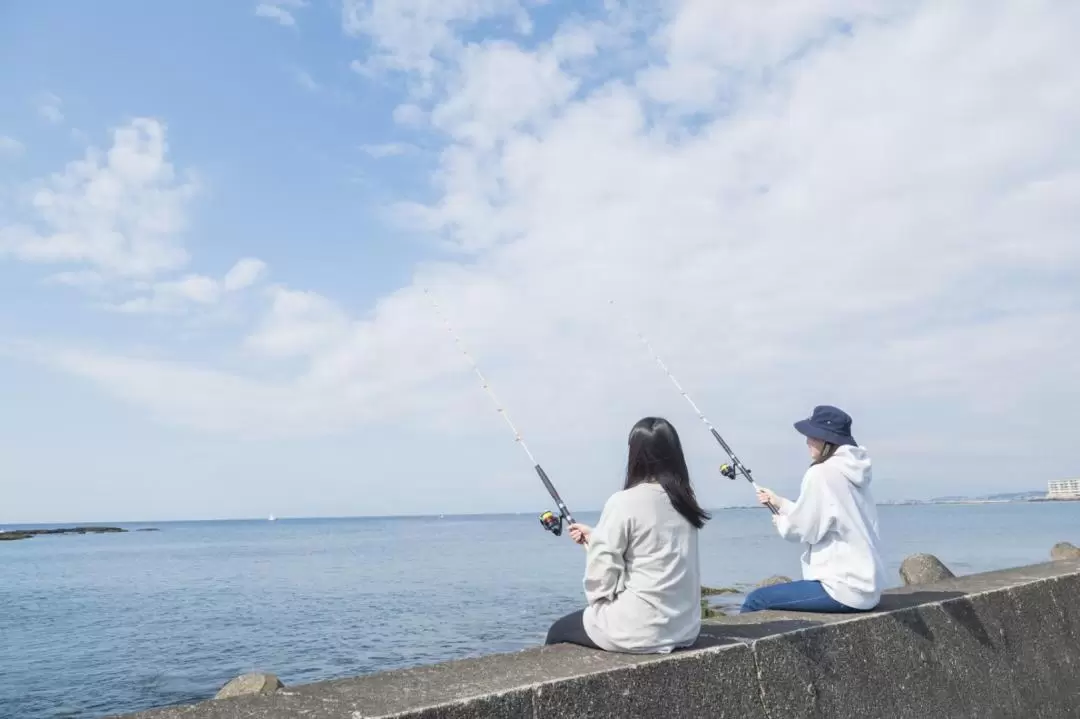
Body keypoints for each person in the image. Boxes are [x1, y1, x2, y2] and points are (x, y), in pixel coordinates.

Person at [544, 416, 710, 653]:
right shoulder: (684, 503)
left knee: (557, 632)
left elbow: (602, 579)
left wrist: (600, 604)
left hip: (639, 631)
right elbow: (653, 551)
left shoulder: (623, 501)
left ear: (635, 455)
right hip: (685, 629)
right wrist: (597, 536)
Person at [740, 405, 886, 614]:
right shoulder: (852, 472)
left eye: (812, 436)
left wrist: (780, 521)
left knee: (756, 600)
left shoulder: (820, 473)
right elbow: (826, 516)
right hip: (867, 589)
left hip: (843, 589)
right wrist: (779, 502)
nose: (807, 441)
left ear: (827, 440)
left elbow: (802, 531)